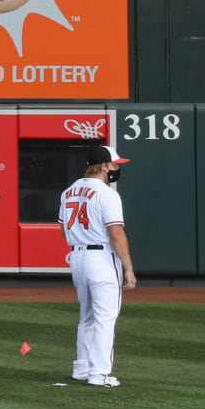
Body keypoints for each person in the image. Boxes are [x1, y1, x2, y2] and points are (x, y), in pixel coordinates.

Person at [62, 144, 135, 388]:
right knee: (106, 318)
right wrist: (129, 268)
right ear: (103, 166)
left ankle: (82, 368)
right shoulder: (107, 193)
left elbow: (63, 228)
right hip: (101, 257)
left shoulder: (69, 191)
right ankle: (99, 374)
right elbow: (115, 233)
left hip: (78, 257)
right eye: (114, 164)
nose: (116, 168)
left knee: (88, 317)